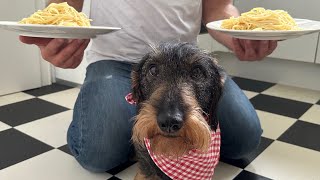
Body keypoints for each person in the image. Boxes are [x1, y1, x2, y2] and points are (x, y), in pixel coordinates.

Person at [20, 0, 277, 172]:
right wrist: (57, 35)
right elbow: (63, 6)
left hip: (185, 60)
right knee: (98, 154)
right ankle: (116, 123)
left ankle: (133, 128)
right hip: (116, 59)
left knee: (244, 139)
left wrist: (242, 34)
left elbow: (219, 8)